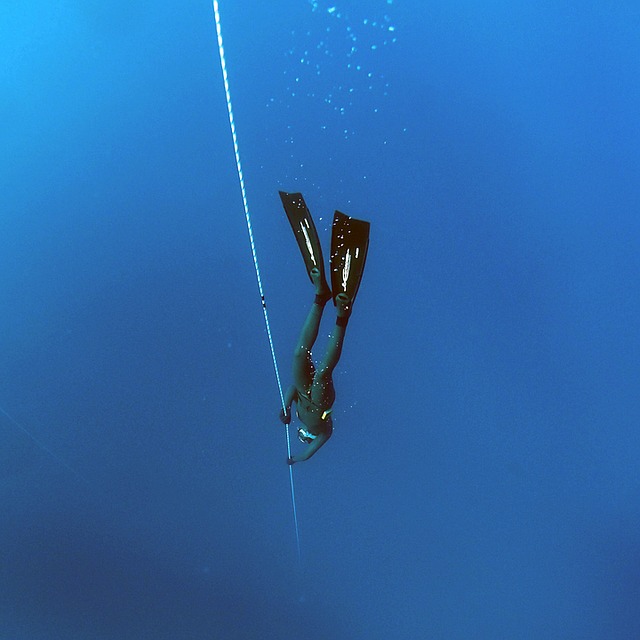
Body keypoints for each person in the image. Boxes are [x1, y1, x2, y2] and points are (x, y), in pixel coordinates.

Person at [277, 191, 370, 464]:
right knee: (322, 375)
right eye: (304, 438)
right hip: (320, 401)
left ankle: (320, 297)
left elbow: (291, 390)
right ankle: (342, 317)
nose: (304, 435)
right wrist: (296, 459)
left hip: (303, 392)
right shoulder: (323, 431)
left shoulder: (299, 416)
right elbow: (310, 453)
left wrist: (285, 407)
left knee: (298, 353)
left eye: (301, 436)